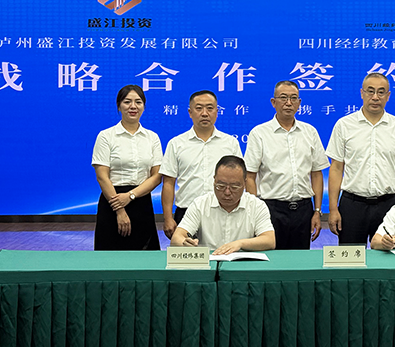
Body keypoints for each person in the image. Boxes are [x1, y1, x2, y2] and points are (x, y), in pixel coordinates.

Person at [326, 72, 395, 245]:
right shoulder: (344, 125)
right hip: (352, 204)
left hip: (388, 205)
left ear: (388, 96)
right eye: (370, 91)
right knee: (350, 257)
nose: (375, 97)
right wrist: (333, 209)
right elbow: (336, 168)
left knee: (389, 255)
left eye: (381, 92)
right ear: (362, 93)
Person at [244, 81, 330, 249]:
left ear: (299, 103)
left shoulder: (310, 132)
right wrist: (255, 211)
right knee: (271, 257)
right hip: (271, 209)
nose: (289, 103)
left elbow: (316, 174)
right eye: (283, 98)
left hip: (304, 209)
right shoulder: (259, 133)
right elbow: (250, 176)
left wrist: (317, 211)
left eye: (293, 98)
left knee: (299, 259)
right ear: (273, 102)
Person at [159, 90, 242, 239]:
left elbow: (240, 180)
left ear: (217, 112)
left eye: (210, 108)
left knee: (223, 252)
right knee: (188, 253)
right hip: (186, 213)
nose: (204, 113)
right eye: (199, 108)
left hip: (223, 212)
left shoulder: (230, 143)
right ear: (190, 112)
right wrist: (168, 218)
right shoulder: (176, 143)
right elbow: (168, 183)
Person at [92, 84, 163, 250]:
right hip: (112, 201)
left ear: (144, 106)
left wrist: (130, 196)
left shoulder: (152, 137)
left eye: (138, 102)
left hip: (141, 201)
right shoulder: (106, 136)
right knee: (110, 257)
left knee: (144, 256)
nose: (133, 106)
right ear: (119, 106)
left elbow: (156, 176)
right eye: (127, 102)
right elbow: (102, 176)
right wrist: (119, 210)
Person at [172, 156, 276, 254]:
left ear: (245, 183)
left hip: (242, 263)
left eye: (234, 187)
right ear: (214, 180)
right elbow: (176, 238)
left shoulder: (257, 206)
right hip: (208, 262)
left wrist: (240, 244)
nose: (227, 192)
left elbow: (270, 240)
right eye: (221, 186)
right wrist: (185, 243)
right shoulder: (200, 204)